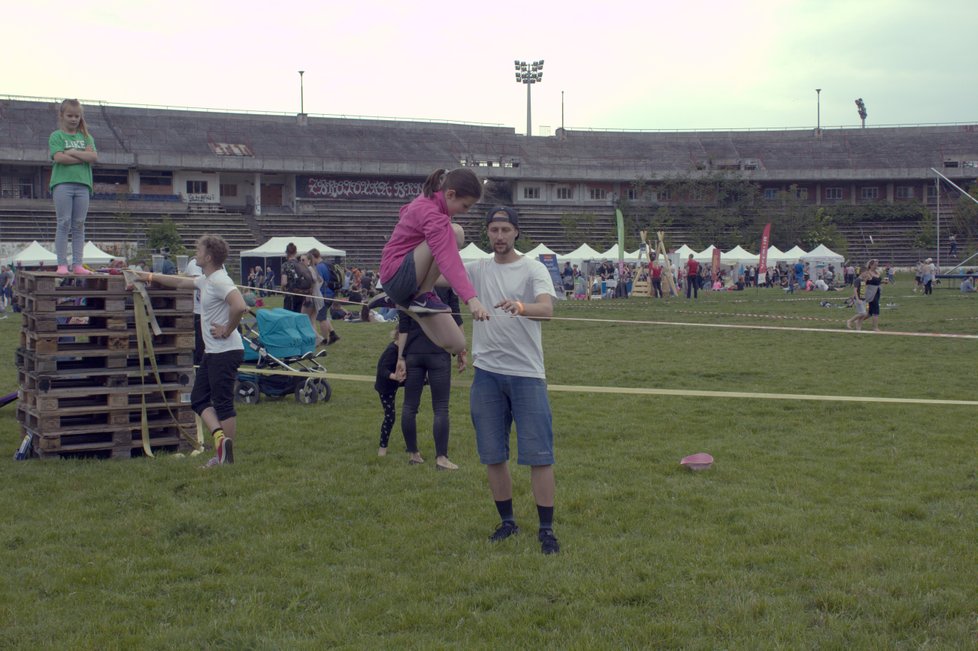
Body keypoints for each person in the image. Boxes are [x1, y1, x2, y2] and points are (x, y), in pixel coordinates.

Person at [465, 205, 560, 555]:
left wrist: (521, 307)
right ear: (487, 233)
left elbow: (547, 310)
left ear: (516, 232)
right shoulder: (477, 269)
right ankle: (507, 522)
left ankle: (546, 529)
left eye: (505, 230)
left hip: (527, 374)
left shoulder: (533, 267)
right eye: (494, 230)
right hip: (486, 373)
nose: (500, 236)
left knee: (539, 455)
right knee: (493, 454)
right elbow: (438, 274)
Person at [133, 234, 247, 466]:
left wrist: (227, 328)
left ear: (208, 256)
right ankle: (220, 441)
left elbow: (240, 305)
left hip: (225, 351)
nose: (195, 252)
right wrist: (149, 276)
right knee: (198, 399)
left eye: (198, 249)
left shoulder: (219, 281)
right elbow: (179, 282)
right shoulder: (206, 280)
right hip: (213, 352)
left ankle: (225, 457)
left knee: (223, 403)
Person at [375, 168, 489, 354]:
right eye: (465, 206)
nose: (465, 212)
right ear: (450, 194)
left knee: (456, 344)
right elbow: (449, 260)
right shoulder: (433, 214)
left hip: (404, 283)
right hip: (396, 274)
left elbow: (404, 212)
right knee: (455, 232)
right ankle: (422, 294)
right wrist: (471, 299)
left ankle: (407, 304)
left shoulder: (430, 204)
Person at [397, 286, 467, 471]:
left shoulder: (408, 285)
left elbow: (403, 327)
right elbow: (456, 318)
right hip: (439, 351)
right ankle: (441, 459)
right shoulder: (445, 284)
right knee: (441, 407)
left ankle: (414, 454)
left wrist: (400, 357)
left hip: (413, 352)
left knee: (409, 406)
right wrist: (461, 349)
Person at [49, 99, 98, 276]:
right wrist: (82, 157)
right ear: (62, 115)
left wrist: (72, 152)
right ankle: (62, 263)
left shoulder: (86, 137)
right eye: (70, 115)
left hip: (83, 185)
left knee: (79, 224)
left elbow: (93, 157)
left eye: (77, 116)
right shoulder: (56, 136)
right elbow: (59, 158)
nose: (73, 119)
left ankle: (78, 263)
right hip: (63, 184)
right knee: (64, 222)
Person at [374, 328, 407, 457]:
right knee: (390, 417)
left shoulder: (403, 351)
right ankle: (382, 447)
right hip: (386, 387)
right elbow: (382, 370)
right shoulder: (391, 351)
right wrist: (394, 376)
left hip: (396, 382)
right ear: (399, 336)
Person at [310, 249, 339, 345]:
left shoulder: (319, 267)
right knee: (324, 315)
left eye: (311, 258)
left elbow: (319, 281)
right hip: (330, 293)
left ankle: (325, 340)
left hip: (324, 294)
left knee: (321, 318)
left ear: (314, 257)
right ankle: (333, 334)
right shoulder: (326, 264)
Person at [280, 242, 312, 313]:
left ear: (286, 253)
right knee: (297, 315)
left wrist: (282, 289)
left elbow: (284, 282)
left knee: (288, 317)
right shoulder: (301, 264)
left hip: (290, 295)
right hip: (300, 295)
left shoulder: (285, 265)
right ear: (296, 252)